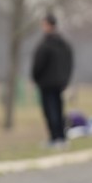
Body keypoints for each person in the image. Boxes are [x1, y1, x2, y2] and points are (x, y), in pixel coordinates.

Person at [31, 14, 73, 148]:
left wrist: (35, 78)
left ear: (49, 25)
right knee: (59, 110)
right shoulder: (64, 44)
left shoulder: (46, 44)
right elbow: (69, 63)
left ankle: (55, 138)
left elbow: (38, 64)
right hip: (60, 83)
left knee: (50, 111)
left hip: (46, 83)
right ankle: (62, 137)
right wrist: (66, 79)